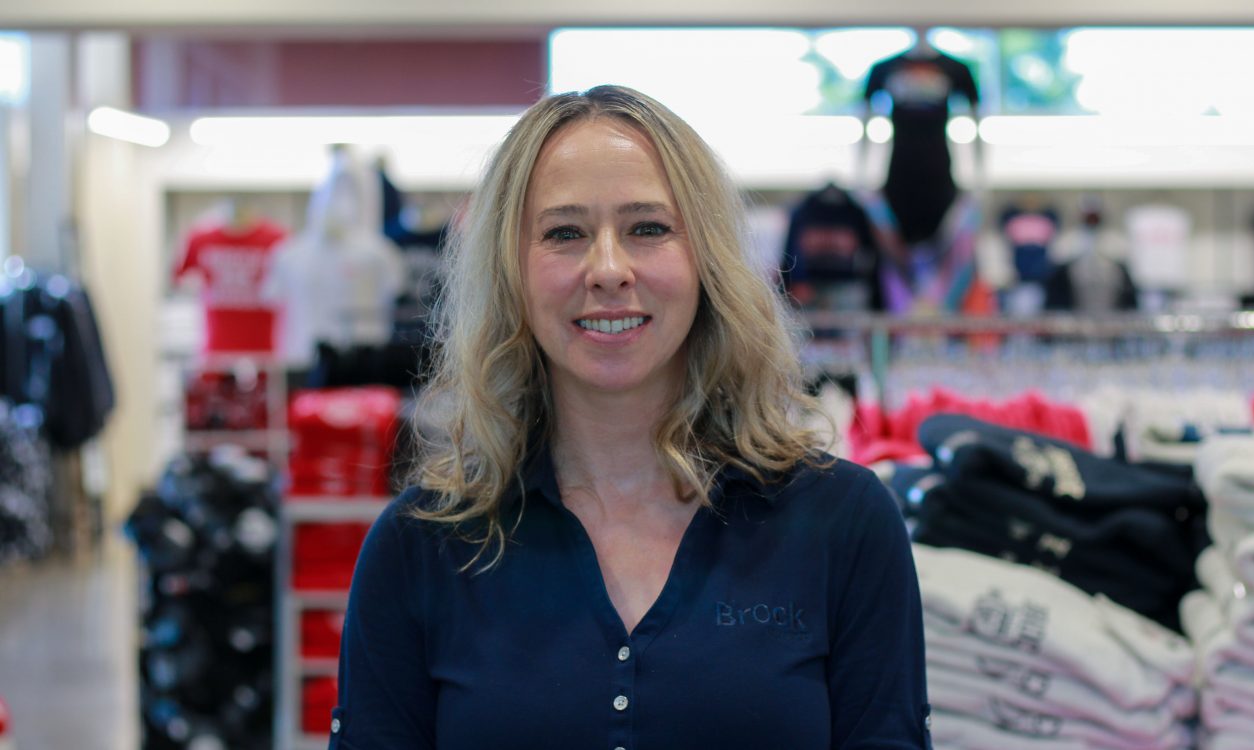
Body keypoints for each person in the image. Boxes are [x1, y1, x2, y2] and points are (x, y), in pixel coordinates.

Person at [328, 84, 930, 750]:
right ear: (511, 271)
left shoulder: (843, 525)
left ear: (707, 260)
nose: (608, 268)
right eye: (564, 233)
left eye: (648, 228)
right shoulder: (420, 546)